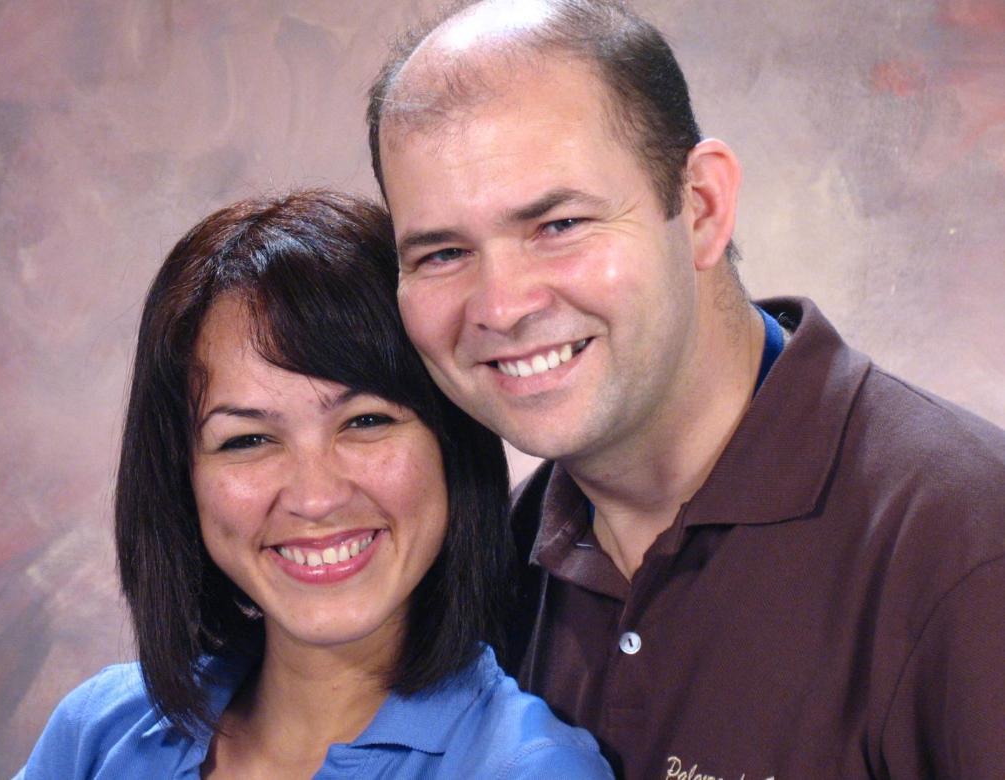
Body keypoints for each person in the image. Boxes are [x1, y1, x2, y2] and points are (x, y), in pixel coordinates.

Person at [366, 1, 1005, 778]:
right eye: (441, 254)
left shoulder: (968, 548)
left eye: (559, 225)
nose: (500, 307)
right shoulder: (488, 574)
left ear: (701, 206)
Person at [15, 190, 613, 778]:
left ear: (451, 444)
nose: (315, 498)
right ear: (181, 480)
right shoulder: (98, 735)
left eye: (366, 422)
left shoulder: (528, 769)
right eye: (248, 440)